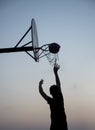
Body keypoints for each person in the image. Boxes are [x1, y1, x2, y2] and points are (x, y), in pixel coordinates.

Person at [39, 64, 68, 130]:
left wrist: (40, 84)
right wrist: (55, 73)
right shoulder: (60, 98)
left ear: (50, 93)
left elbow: (41, 92)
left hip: (54, 126)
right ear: (58, 91)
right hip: (63, 126)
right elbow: (58, 84)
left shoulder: (51, 101)